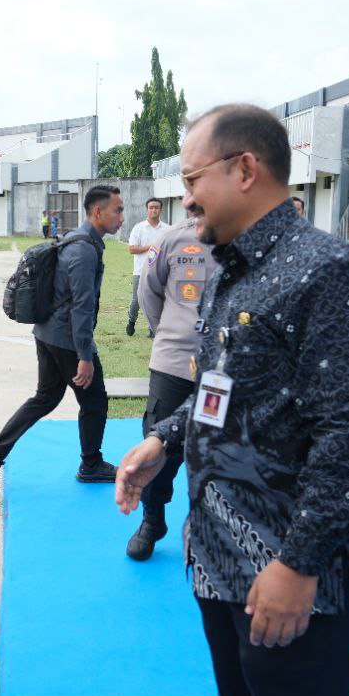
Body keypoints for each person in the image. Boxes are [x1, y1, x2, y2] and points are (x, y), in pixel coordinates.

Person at [114, 104, 349, 696]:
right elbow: (227, 387)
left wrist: (298, 564)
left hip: (300, 570)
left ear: (245, 169)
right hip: (222, 552)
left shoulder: (327, 272)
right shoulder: (231, 269)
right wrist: (165, 437)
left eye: (193, 181)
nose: (186, 199)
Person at [0, 185, 125, 494]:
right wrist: (85, 357)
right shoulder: (85, 250)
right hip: (66, 340)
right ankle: (90, 464)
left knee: (45, 398)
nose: (122, 217)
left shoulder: (74, 239)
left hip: (46, 332)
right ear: (98, 212)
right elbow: (82, 308)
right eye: (118, 210)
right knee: (95, 400)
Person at [124, 217, 209, 561]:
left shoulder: (246, 238)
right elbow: (148, 291)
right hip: (174, 363)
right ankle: (152, 520)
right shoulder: (173, 239)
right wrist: (173, 333)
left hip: (228, 367)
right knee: (158, 444)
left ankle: (209, 527)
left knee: (217, 451)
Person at [125, 197, 169, 337]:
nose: (154, 210)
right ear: (147, 210)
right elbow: (132, 249)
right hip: (140, 271)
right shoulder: (138, 228)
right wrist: (150, 247)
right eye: (151, 207)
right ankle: (131, 321)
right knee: (137, 300)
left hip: (160, 271)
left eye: (156, 207)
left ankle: (153, 328)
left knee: (157, 300)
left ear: (161, 210)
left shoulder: (167, 229)